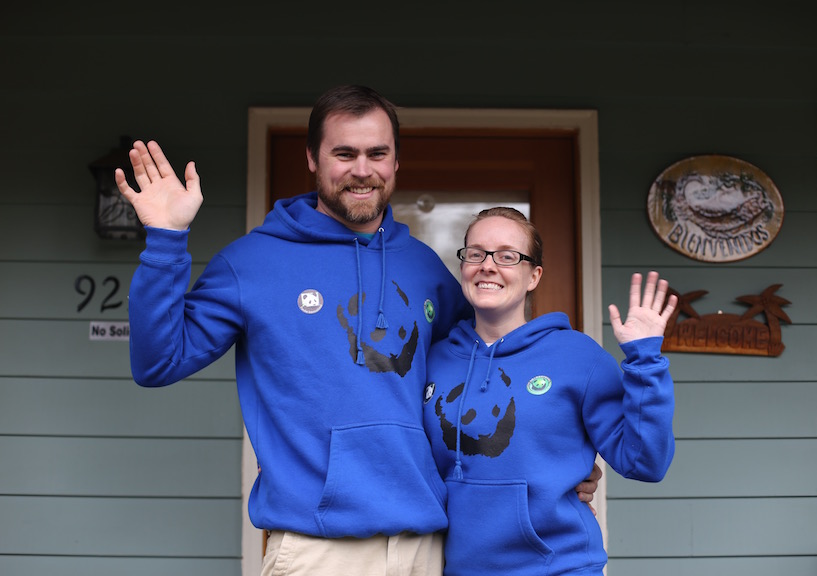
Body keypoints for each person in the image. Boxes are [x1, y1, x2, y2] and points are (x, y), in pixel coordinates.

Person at [115, 86, 600, 576]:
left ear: (395, 161)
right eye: (344, 153)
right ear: (312, 158)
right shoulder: (252, 264)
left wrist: (558, 462)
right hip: (317, 548)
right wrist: (167, 240)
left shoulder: (424, 269)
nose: (362, 170)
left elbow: (483, 374)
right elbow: (158, 363)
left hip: (427, 547)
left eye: (377, 154)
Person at [422, 207, 677, 576]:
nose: (487, 266)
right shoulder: (435, 360)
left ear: (533, 276)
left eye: (508, 256)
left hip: (560, 567)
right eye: (476, 253)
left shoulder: (578, 357)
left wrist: (645, 360)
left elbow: (645, 462)